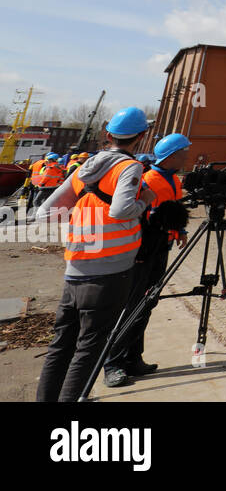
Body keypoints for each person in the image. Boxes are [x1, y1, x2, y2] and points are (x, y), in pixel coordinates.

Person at [33, 107, 155, 402]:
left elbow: (44, 213)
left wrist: (85, 217)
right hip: (109, 274)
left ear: (108, 134)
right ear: (141, 136)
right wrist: (145, 201)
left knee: (61, 346)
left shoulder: (83, 168)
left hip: (75, 271)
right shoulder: (130, 167)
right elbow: (122, 210)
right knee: (89, 350)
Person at [103, 133, 191, 386]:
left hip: (161, 247)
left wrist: (180, 230)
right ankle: (113, 364)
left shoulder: (173, 179)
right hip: (143, 251)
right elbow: (142, 216)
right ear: (172, 155)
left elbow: (172, 211)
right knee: (132, 307)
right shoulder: (148, 179)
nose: (187, 156)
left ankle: (134, 359)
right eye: (183, 152)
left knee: (147, 304)